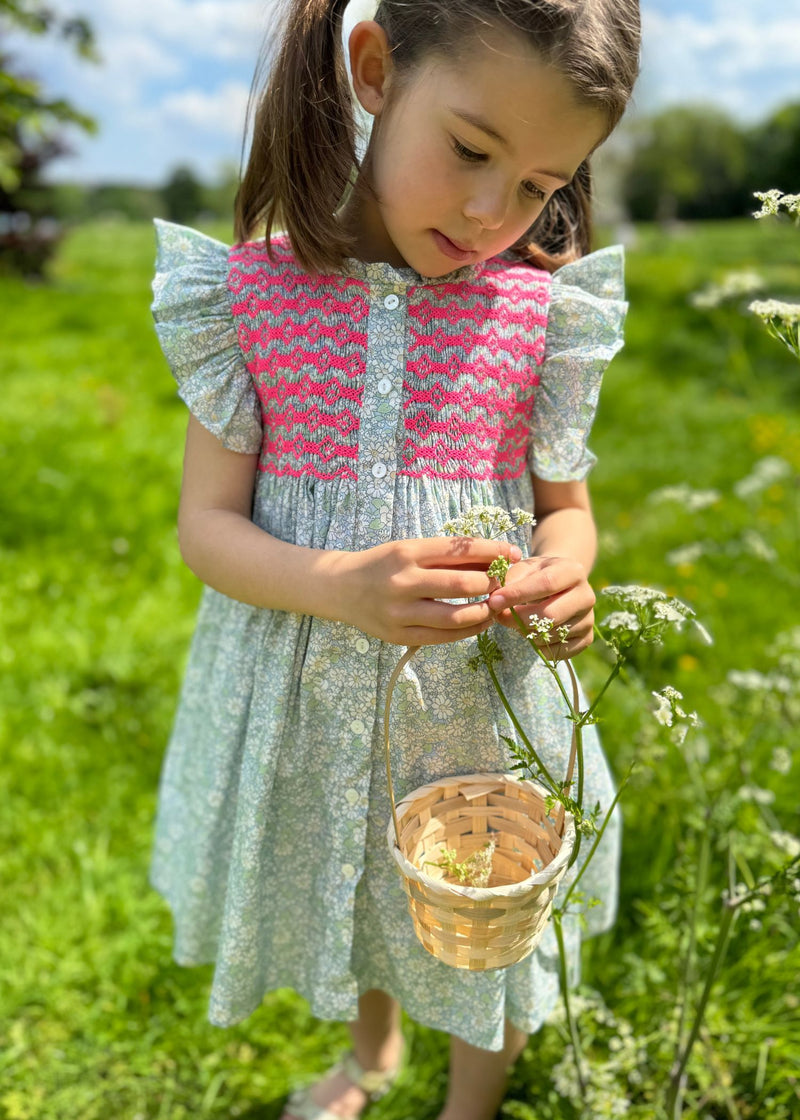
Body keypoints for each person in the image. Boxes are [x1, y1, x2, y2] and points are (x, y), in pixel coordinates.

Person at [148, 0, 640, 1117]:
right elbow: (207, 529)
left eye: (535, 186)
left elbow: (566, 511)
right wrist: (340, 587)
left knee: (488, 905)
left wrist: (567, 567)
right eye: (470, 150)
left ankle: (467, 1107)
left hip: (484, 695)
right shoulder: (252, 299)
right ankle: (371, 1057)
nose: (489, 212)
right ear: (374, 70)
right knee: (369, 875)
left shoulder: (534, 315)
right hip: (312, 689)